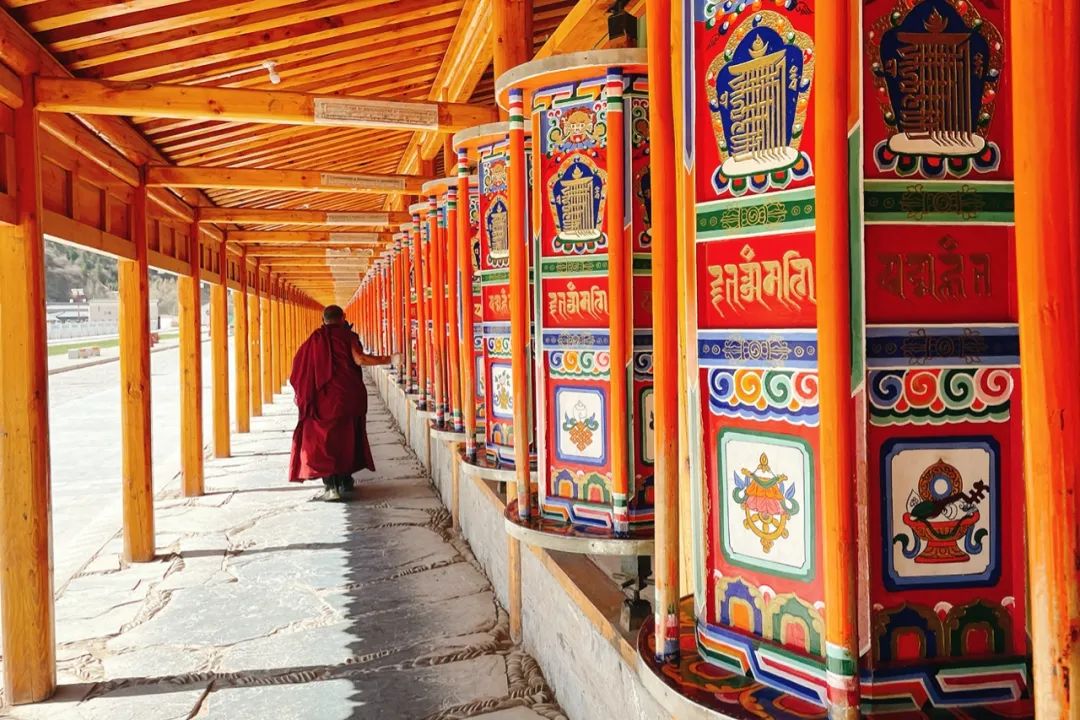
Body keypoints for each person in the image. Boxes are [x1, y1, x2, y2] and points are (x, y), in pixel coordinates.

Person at [288, 305, 397, 501]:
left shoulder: (315, 339)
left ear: (323, 320)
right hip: (347, 397)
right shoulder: (348, 336)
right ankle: (346, 480)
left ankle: (331, 486)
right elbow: (360, 359)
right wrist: (390, 359)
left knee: (325, 441)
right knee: (347, 438)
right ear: (343, 317)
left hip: (323, 402)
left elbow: (298, 369)